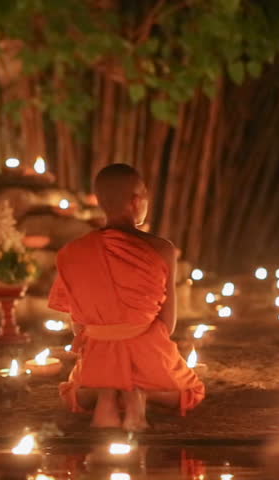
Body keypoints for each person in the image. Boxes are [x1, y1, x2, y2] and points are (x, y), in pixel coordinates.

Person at [49, 163, 205, 431]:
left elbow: (77, 326)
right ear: (137, 201)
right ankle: (137, 395)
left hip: (98, 353)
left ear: (99, 201)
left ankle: (108, 395)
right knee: (190, 392)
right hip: (149, 350)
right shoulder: (161, 248)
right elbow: (167, 324)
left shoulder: (71, 252)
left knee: (78, 392)